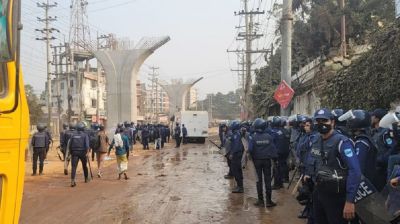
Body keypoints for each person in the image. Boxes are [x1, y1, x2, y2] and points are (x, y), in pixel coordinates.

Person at [304, 108, 361, 224]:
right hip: (319, 193)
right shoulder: (316, 140)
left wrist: (350, 201)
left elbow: (355, 171)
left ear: (333, 122)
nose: (321, 124)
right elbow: (313, 160)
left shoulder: (342, 142)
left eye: (324, 121)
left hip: (336, 197)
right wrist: (308, 175)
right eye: (318, 121)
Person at [248, 118, 278, 207]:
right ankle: (269, 201)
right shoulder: (269, 136)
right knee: (268, 181)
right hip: (267, 161)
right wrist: (275, 160)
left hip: (257, 161)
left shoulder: (253, 137)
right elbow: (273, 150)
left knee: (259, 181)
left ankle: (260, 201)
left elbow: (250, 149)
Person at [371, 108, 397, 191]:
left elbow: (393, 148)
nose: (370, 118)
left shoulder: (385, 133)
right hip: (376, 169)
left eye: (373, 116)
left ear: (377, 118)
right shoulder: (374, 132)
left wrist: (381, 159)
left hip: (383, 170)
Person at [270, 116, 291, 189]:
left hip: (277, 153)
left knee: (276, 168)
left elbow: (271, 142)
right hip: (285, 152)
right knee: (283, 166)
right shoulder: (286, 131)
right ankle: (282, 181)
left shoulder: (274, 132)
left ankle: (277, 184)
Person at [69, 122, 90, 187]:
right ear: (83, 128)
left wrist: (71, 152)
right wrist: (87, 152)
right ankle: (86, 178)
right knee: (84, 166)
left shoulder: (73, 135)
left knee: (74, 167)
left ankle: (72, 180)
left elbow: (70, 145)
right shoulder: (85, 135)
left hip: (74, 152)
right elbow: (87, 145)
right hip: (83, 152)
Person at [227, 120, 245, 193]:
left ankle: (240, 187)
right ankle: (240, 185)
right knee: (238, 170)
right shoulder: (236, 133)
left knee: (236, 170)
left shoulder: (236, 134)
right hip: (238, 154)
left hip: (237, 154)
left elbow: (236, 146)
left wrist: (231, 153)